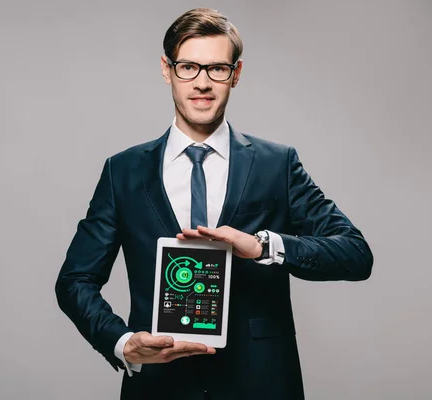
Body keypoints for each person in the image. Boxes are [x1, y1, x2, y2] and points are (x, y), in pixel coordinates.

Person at [55, 7, 373, 400]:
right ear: (166, 69)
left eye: (216, 69)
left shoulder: (277, 164)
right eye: (188, 66)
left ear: (235, 74)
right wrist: (122, 343)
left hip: (260, 384)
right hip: (159, 388)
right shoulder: (122, 172)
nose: (202, 83)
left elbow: (356, 254)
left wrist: (261, 247)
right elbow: (74, 281)